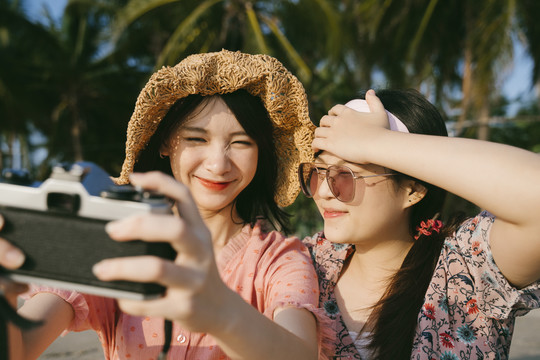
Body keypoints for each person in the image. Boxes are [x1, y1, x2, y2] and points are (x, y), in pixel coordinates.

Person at [0, 50, 332, 359]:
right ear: (165, 142)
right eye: (196, 139)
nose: (218, 164)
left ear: (261, 154)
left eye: (241, 142)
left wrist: (222, 313)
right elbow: (20, 346)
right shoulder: (114, 242)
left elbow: (300, 352)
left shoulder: (278, 259)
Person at [301, 88, 540, 360]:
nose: (323, 192)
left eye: (346, 175)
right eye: (318, 173)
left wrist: (376, 143)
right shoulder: (302, 265)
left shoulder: (466, 269)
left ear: (412, 190)